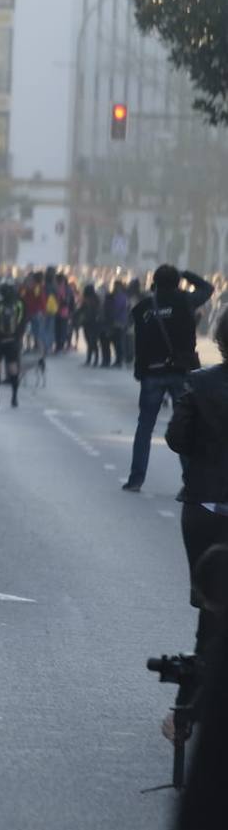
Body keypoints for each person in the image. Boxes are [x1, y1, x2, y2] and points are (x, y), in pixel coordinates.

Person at [165, 310, 228, 736]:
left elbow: (175, 438)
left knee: (211, 607)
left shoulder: (200, 383)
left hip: (205, 507)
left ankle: (186, 711)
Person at [125, 265, 215, 492]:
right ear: (177, 283)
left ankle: (136, 479)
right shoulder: (185, 301)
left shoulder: (144, 308)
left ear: (154, 283)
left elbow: (139, 343)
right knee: (185, 426)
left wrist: (139, 369)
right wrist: (186, 273)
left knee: (145, 427)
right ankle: (191, 479)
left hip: (152, 372)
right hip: (180, 372)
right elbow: (208, 288)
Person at [0, 280, 26, 408]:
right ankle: (14, 398)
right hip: (13, 341)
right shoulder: (19, 305)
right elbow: (22, 322)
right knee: (13, 368)